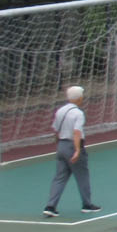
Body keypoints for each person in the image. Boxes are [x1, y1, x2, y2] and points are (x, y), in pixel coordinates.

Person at [44, 86, 99, 218]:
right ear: (79, 98)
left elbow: (56, 130)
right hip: (72, 146)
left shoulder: (60, 111)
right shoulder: (78, 113)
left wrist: (59, 146)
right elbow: (77, 132)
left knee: (59, 177)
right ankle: (87, 204)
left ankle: (50, 206)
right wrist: (77, 150)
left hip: (61, 146)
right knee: (82, 176)